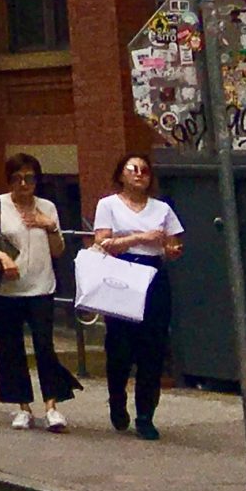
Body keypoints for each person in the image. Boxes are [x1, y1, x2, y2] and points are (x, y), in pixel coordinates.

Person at [0, 152, 77, 431]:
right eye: (17, 178)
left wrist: (50, 226)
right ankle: (22, 406)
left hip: (41, 286)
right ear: (9, 181)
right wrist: (3, 258)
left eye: (29, 178)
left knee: (45, 345)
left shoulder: (48, 207)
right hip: (7, 289)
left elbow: (59, 251)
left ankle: (52, 407)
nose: (23, 184)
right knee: (11, 348)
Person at [93, 153, 185, 439]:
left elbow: (173, 242)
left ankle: (146, 414)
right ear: (121, 174)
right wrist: (138, 238)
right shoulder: (108, 205)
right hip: (122, 273)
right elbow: (103, 243)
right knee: (120, 346)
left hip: (153, 275)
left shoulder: (162, 209)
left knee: (152, 347)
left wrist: (172, 250)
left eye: (144, 170)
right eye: (132, 169)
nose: (139, 174)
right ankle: (117, 398)